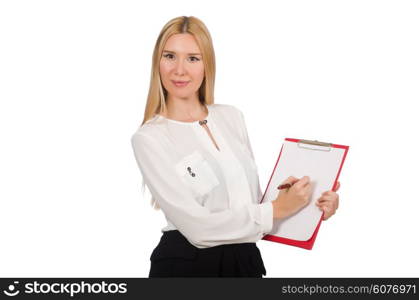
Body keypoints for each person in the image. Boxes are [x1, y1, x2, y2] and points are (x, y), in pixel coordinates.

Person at [130, 16, 340, 277]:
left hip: (245, 263)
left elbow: (254, 217)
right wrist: (276, 208)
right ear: (157, 63)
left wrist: (311, 206)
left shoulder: (231, 117)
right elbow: (199, 229)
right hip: (186, 267)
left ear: (207, 64)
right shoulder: (150, 138)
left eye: (193, 58)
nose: (179, 69)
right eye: (170, 56)